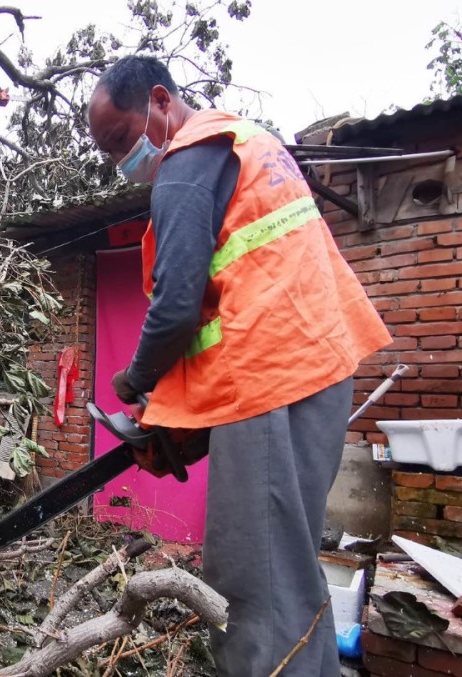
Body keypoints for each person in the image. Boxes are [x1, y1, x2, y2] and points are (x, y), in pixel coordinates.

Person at [86, 55, 391, 676]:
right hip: (312, 367)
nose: (122, 159)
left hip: (274, 378)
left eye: (121, 138)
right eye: (110, 151)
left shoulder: (187, 163)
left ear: (161, 101)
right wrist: (184, 416)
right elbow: (233, 300)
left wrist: (135, 382)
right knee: (288, 562)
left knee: (255, 581)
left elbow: (176, 308)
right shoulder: (248, 142)